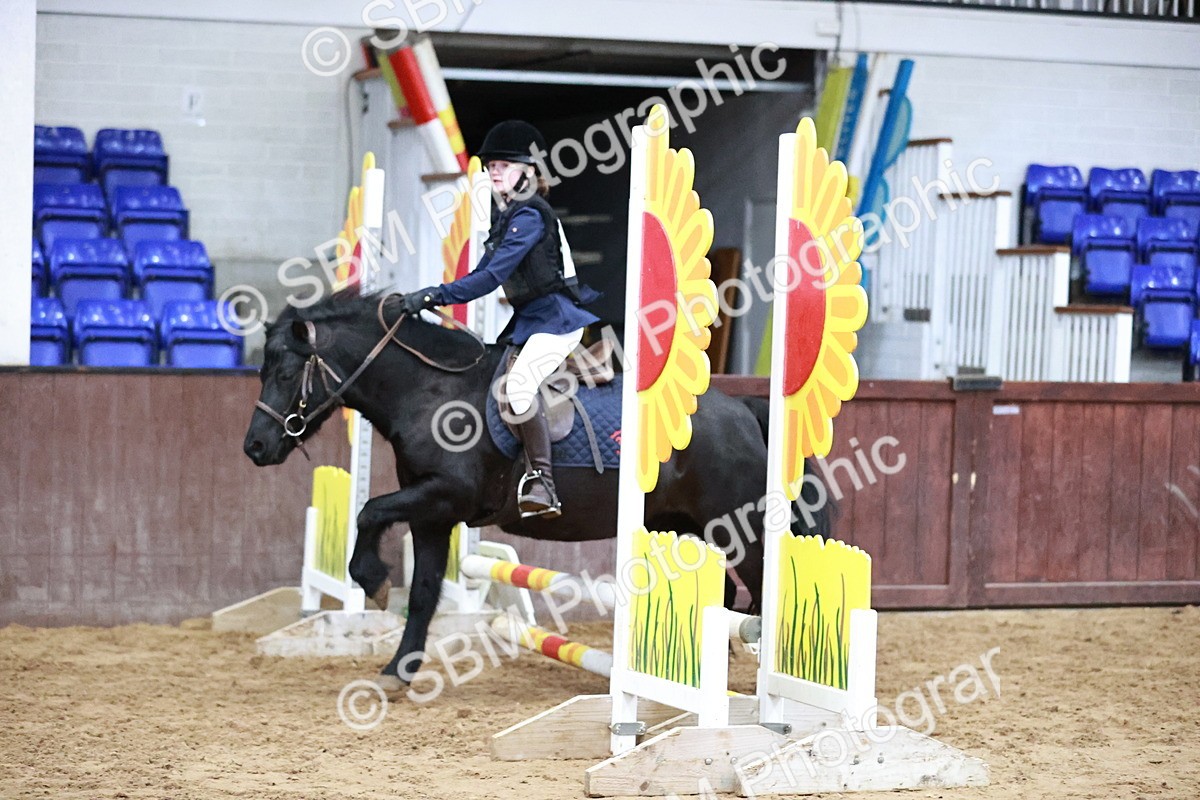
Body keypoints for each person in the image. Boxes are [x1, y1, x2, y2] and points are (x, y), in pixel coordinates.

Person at [403, 120, 600, 519]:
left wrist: (432, 295)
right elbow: (482, 272)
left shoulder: (529, 217)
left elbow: (490, 279)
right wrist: (433, 295)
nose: (494, 170)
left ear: (529, 171)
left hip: (556, 322)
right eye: (491, 164)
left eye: (505, 165)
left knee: (520, 387)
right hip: (531, 321)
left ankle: (543, 483)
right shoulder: (510, 216)